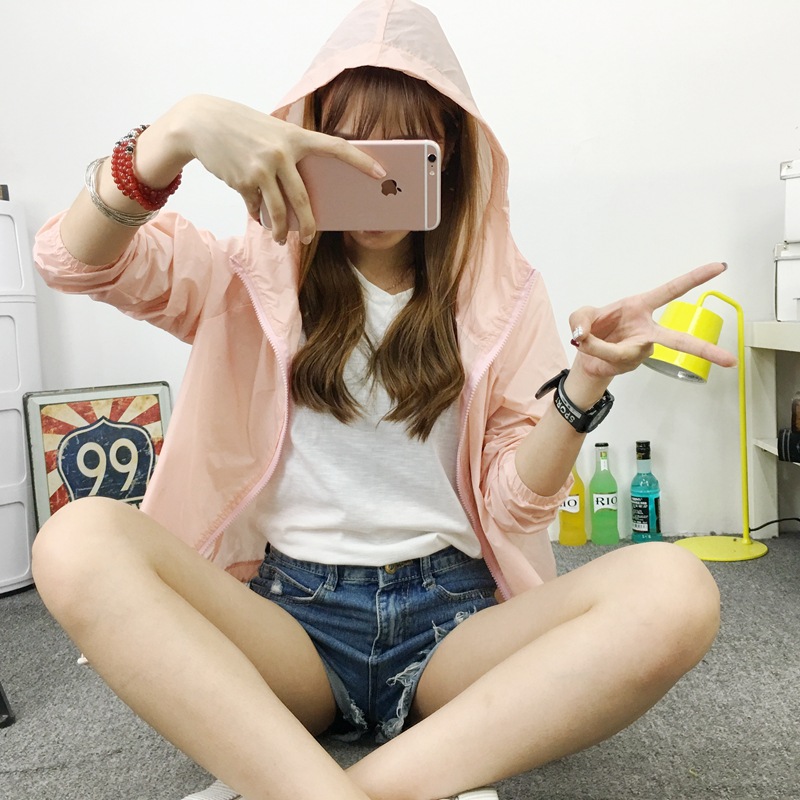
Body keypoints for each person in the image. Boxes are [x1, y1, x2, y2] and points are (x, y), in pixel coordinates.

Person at [31, 1, 732, 799]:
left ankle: (303, 785)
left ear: (451, 153)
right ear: (302, 142)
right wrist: (176, 133)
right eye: (346, 149)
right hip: (290, 620)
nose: (373, 174)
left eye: (401, 153)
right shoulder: (244, 275)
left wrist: (584, 385)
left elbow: (516, 507)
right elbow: (71, 260)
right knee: (76, 540)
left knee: (677, 591)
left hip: (454, 622)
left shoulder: (504, 298)